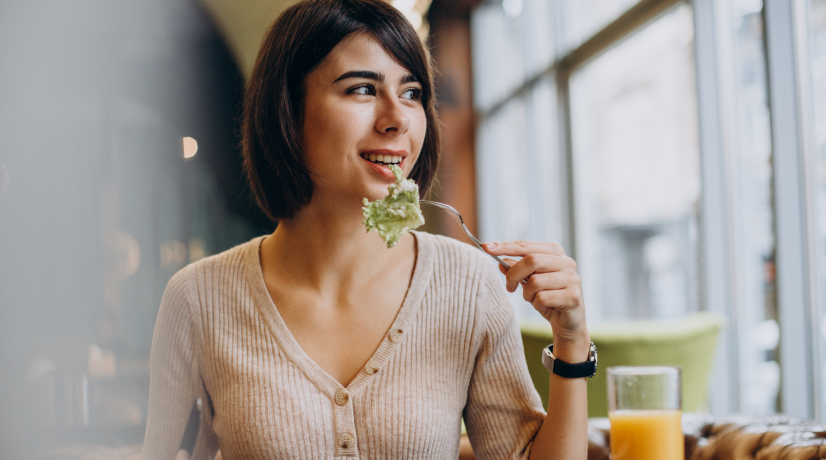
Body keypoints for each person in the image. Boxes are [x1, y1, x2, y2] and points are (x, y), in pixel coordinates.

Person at [142, 0, 591, 458]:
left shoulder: (469, 285)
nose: (398, 118)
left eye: (412, 93)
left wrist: (572, 342)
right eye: (361, 89)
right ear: (287, 111)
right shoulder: (198, 300)